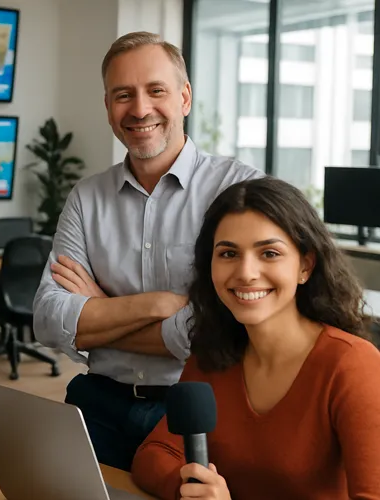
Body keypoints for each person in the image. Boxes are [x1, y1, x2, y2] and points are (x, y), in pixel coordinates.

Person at [31, 31, 263, 472]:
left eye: (155, 90)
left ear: (184, 98)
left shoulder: (238, 190)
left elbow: (219, 329)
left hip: (200, 406)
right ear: (107, 108)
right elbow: (48, 318)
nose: (139, 109)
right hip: (96, 405)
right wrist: (158, 305)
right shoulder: (86, 197)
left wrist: (101, 309)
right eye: (123, 95)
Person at [131, 177, 380, 499]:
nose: (246, 272)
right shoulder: (213, 355)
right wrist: (188, 490)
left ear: (305, 265)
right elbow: (155, 454)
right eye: (229, 254)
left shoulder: (353, 366)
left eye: (270, 253)